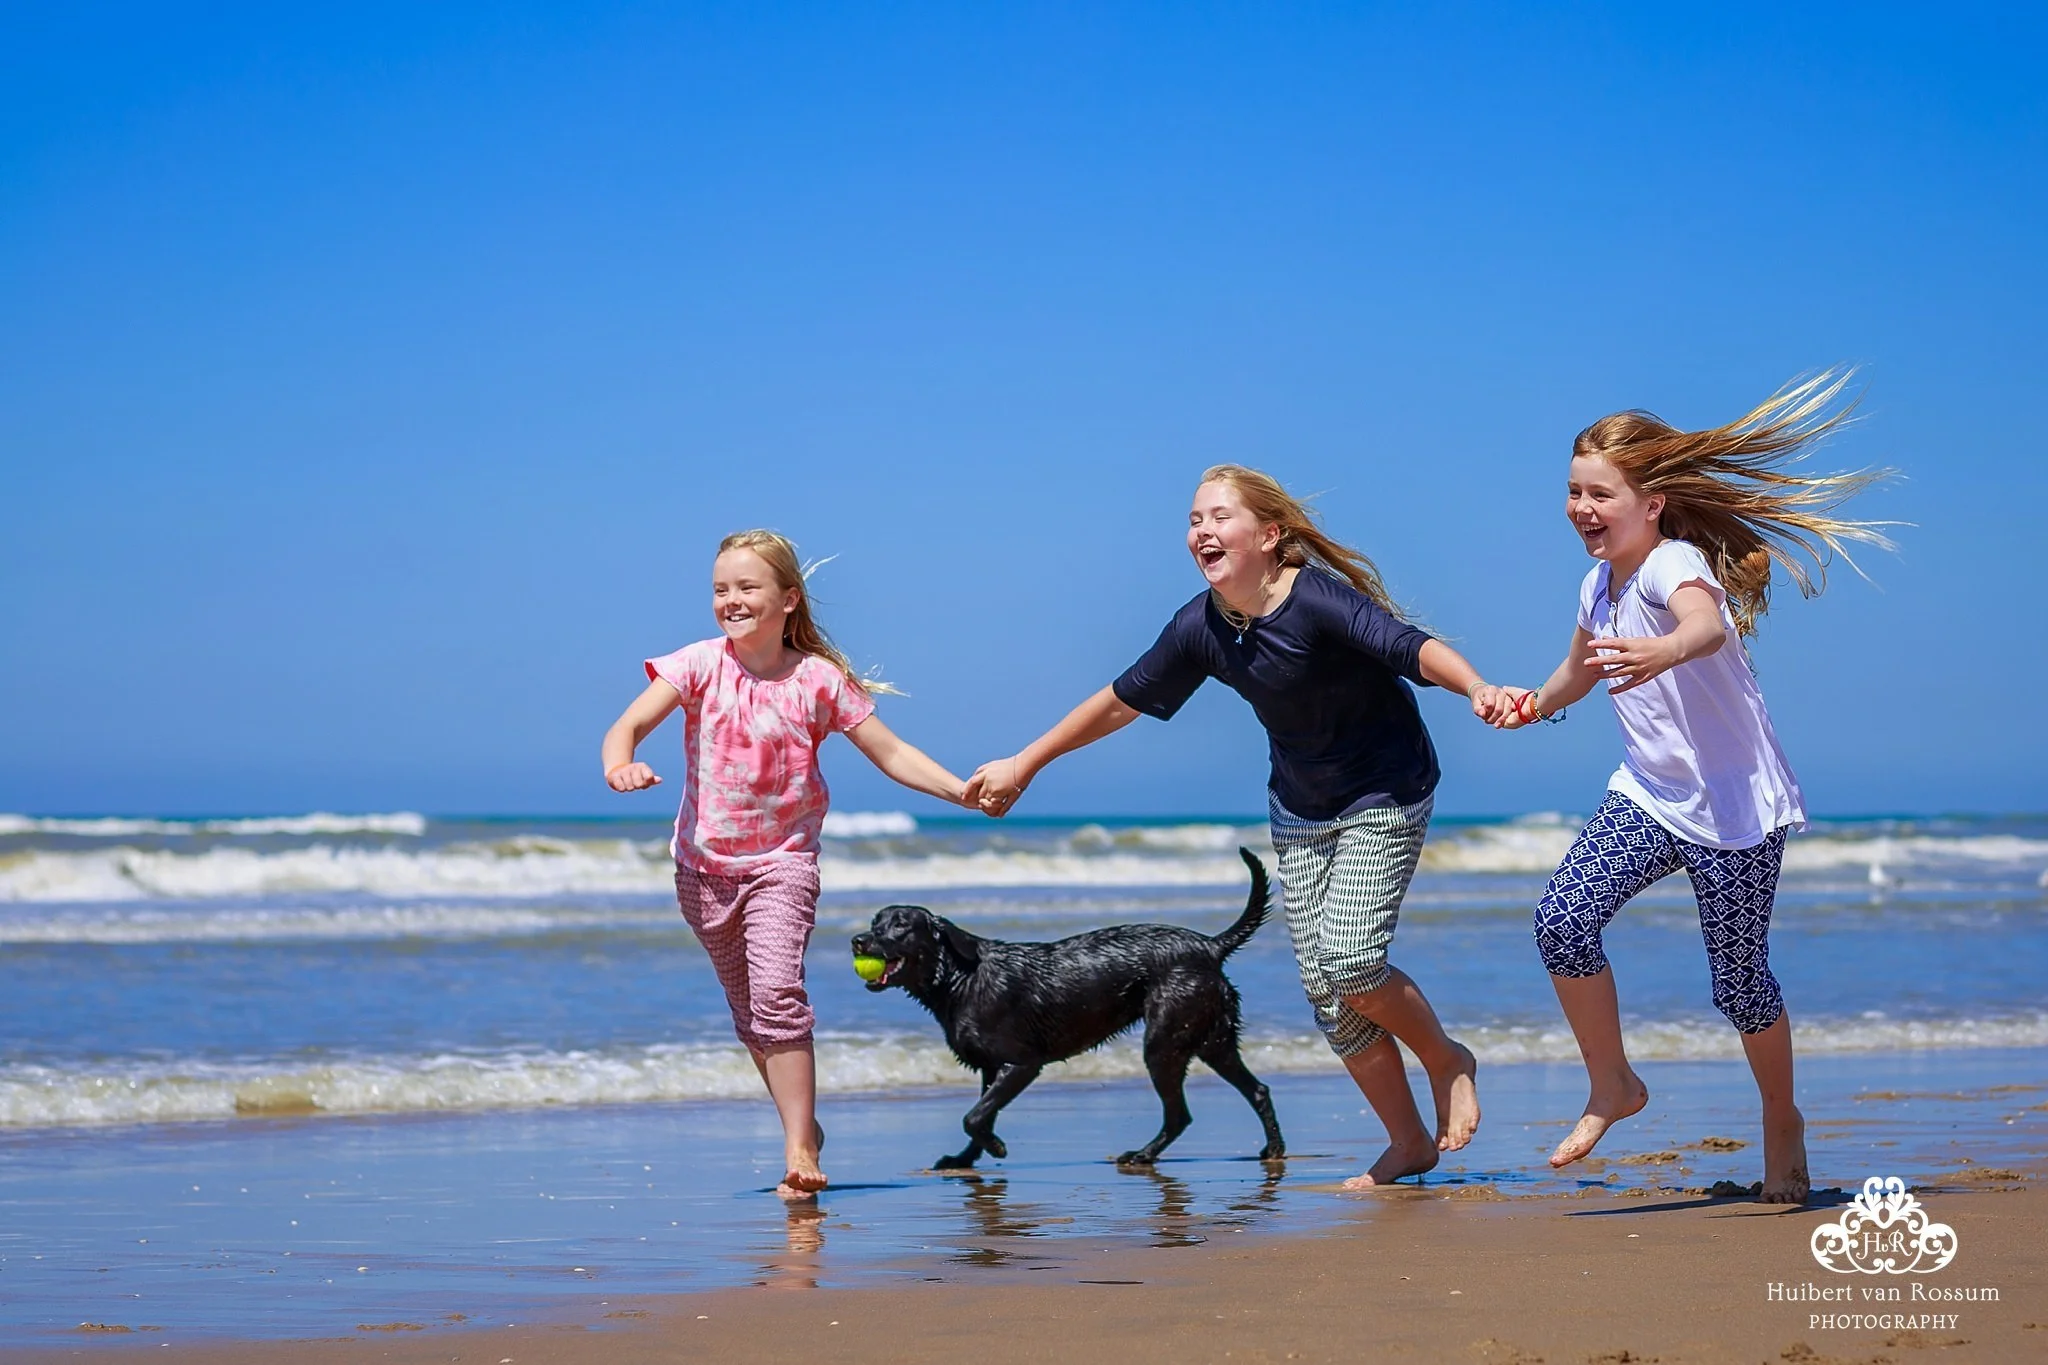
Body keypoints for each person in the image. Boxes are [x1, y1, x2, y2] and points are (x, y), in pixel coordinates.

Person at [965, 465, 1504, 1188]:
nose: (1202, 531)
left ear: (1270, 534)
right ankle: (1408, 1142)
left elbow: (1409, 647)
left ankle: (1446, 1058)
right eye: (1195, 520)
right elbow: (1122, 699)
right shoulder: (1202, 625)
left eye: (1219, 516)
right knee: (1326, 992)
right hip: (1300, 806)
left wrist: (1477, 687)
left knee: (1349, 960)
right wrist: (1026, 762)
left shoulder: (1317, 600)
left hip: (1385, 790)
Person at [1487, 371, 1893, 1204]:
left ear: (1653, 503)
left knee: (1739, 985)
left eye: (1600, 494)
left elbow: (1705, 625)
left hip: (1733, 805)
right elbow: (1578, 669)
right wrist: (1531, 705)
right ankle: (1613, 1083)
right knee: (1562, 920)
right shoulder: (1597, 584)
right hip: (1648, 795)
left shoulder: (1672, 563)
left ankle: (1781, 1115)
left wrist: (1664, 649)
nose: (1581, 508)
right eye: (1574, 491)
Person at [602, 529, 968, 1197]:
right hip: (702, 871)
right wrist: (619, 764)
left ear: (788, 599)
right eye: (721, 589)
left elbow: (891, 753)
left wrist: (960, 790)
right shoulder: (697, 664)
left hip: (783, 864)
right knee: (750, 1018)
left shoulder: (817, 680)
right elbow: (624, 727)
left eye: (748, 587)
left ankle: (798, 1147)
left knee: (777, 997)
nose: (731, 600)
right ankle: (805, 1127)